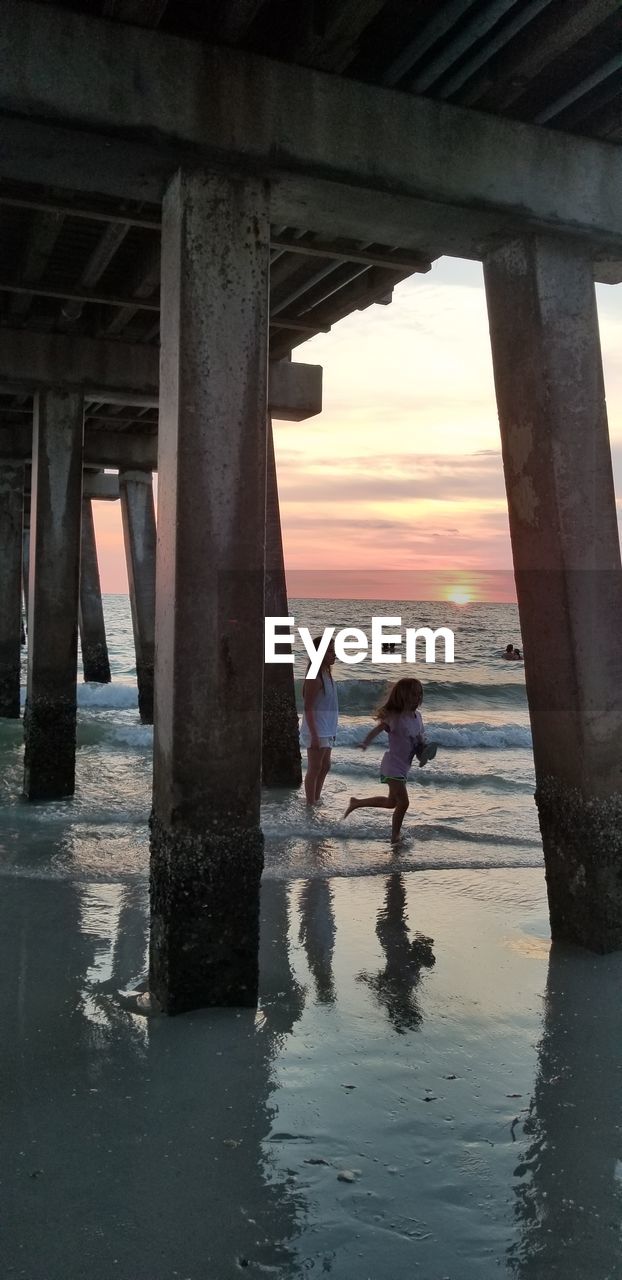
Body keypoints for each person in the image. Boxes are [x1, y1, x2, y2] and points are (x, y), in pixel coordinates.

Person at [343, 677, 437, 843]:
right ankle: (395, 837)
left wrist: (424, 754)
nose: (418, 697)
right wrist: (365, 742)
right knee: (404, 803)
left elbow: (419, 742)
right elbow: (376, 730)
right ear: (403, 696)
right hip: (392, 766)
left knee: (391, 803)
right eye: (414, 694)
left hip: (403, 767)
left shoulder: (418, 717)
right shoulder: (395, 717)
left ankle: (356, 803)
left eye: (419, 694)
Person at [300, 638, 338, 805]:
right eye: (330, 651)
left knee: (325, 766)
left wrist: (333, 730)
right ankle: (310, 803)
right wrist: (314, 735)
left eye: (333, 650)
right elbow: (308, 708)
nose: (334, 654)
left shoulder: (326, 674)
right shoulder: (314, 677)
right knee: (315, 767)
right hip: (316, 729)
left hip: (326, 728)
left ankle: (316, 797)